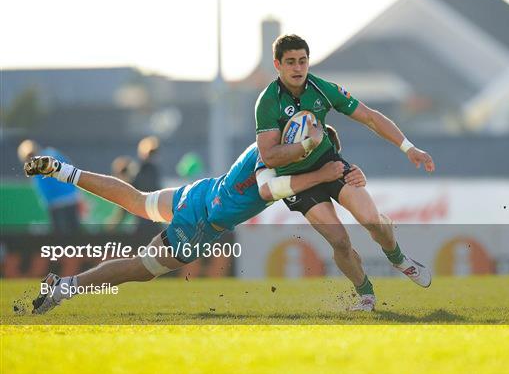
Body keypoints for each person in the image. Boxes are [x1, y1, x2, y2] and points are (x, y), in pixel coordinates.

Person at [25, 134, 366, 314]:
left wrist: (344, 174)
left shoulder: (272, 140)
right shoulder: (291, 165)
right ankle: (63, 287)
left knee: (137, 201)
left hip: (199, 191)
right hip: (205, 220)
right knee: (141, 269)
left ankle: (64, 171)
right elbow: (270, 188)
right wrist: (325, 174)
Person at [255, 34, 435, 311]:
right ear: (277, 65)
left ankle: (398, 258)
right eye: (290, 62)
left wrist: (408, 148)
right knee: (339, 240)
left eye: (302, 61)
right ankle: (366, 294)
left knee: (371, 220)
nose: (297, 68)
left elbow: (370, 117)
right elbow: (268, 156)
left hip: (331, 163)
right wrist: (307, 144)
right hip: (299, 182)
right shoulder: (268, 102)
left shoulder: (322, 89)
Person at [17, 139, 81, 234]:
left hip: (68, 200)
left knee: (71, 233)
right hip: (57, 203)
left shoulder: (50, 156)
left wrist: (77, 195)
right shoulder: (38, 164)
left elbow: (70, 172)